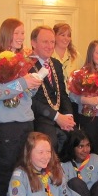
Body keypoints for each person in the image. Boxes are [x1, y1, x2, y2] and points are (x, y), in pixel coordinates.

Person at [0, 18, 42, 196]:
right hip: (7, 126)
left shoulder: (24, 62)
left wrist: (32, 85)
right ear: (6, 35)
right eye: (16, 33)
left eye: (23, 33)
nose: (21, 37)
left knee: (25, 169)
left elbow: (26, 96)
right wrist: (21, 84)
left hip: (26, 122)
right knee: (6, 170)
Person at [29, 25, 75, 153]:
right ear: (33, 43)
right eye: (45, 42)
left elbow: (63, 94)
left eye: (52, 42)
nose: (50, 46)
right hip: (39, 117)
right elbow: (32, 100)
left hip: (59, 114)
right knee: (51, 142)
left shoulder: (56, 64)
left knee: (76, 139)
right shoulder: (26, 65)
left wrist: (68, 116)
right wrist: (57, 117)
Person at [52, 23, 84, 127]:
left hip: (72, 101)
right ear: (54, 36)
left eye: (68, 35)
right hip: (53, 102)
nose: (66, 38)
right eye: (62, 35)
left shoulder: (75, 56)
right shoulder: (49, 54)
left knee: (72, 134)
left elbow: (84, 77)